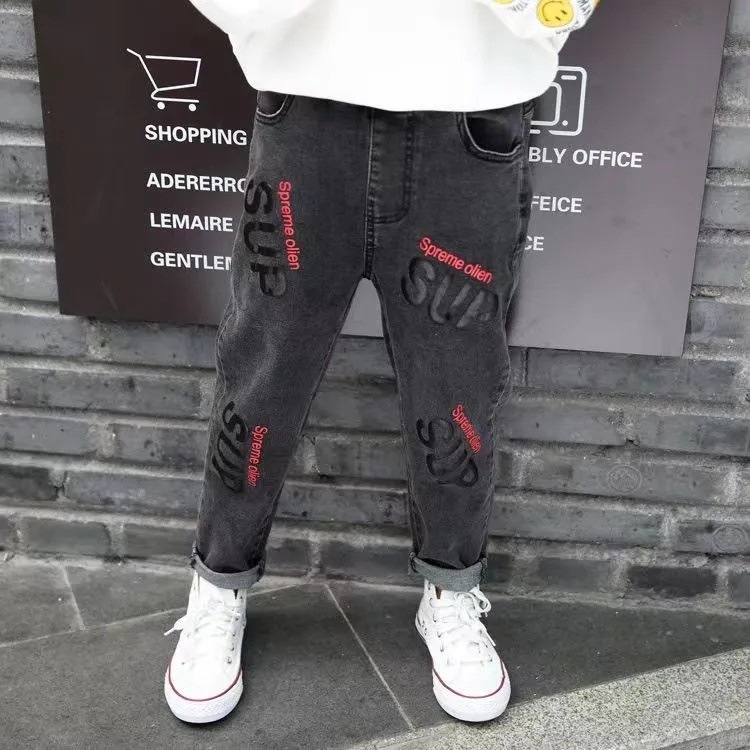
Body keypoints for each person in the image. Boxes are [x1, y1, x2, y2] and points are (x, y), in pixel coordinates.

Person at [164, 0, 598, 725]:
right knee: (264, 374)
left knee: (456, 388)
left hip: (470, 116)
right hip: (308, 107)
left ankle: (451, 592)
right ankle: (219, 586)